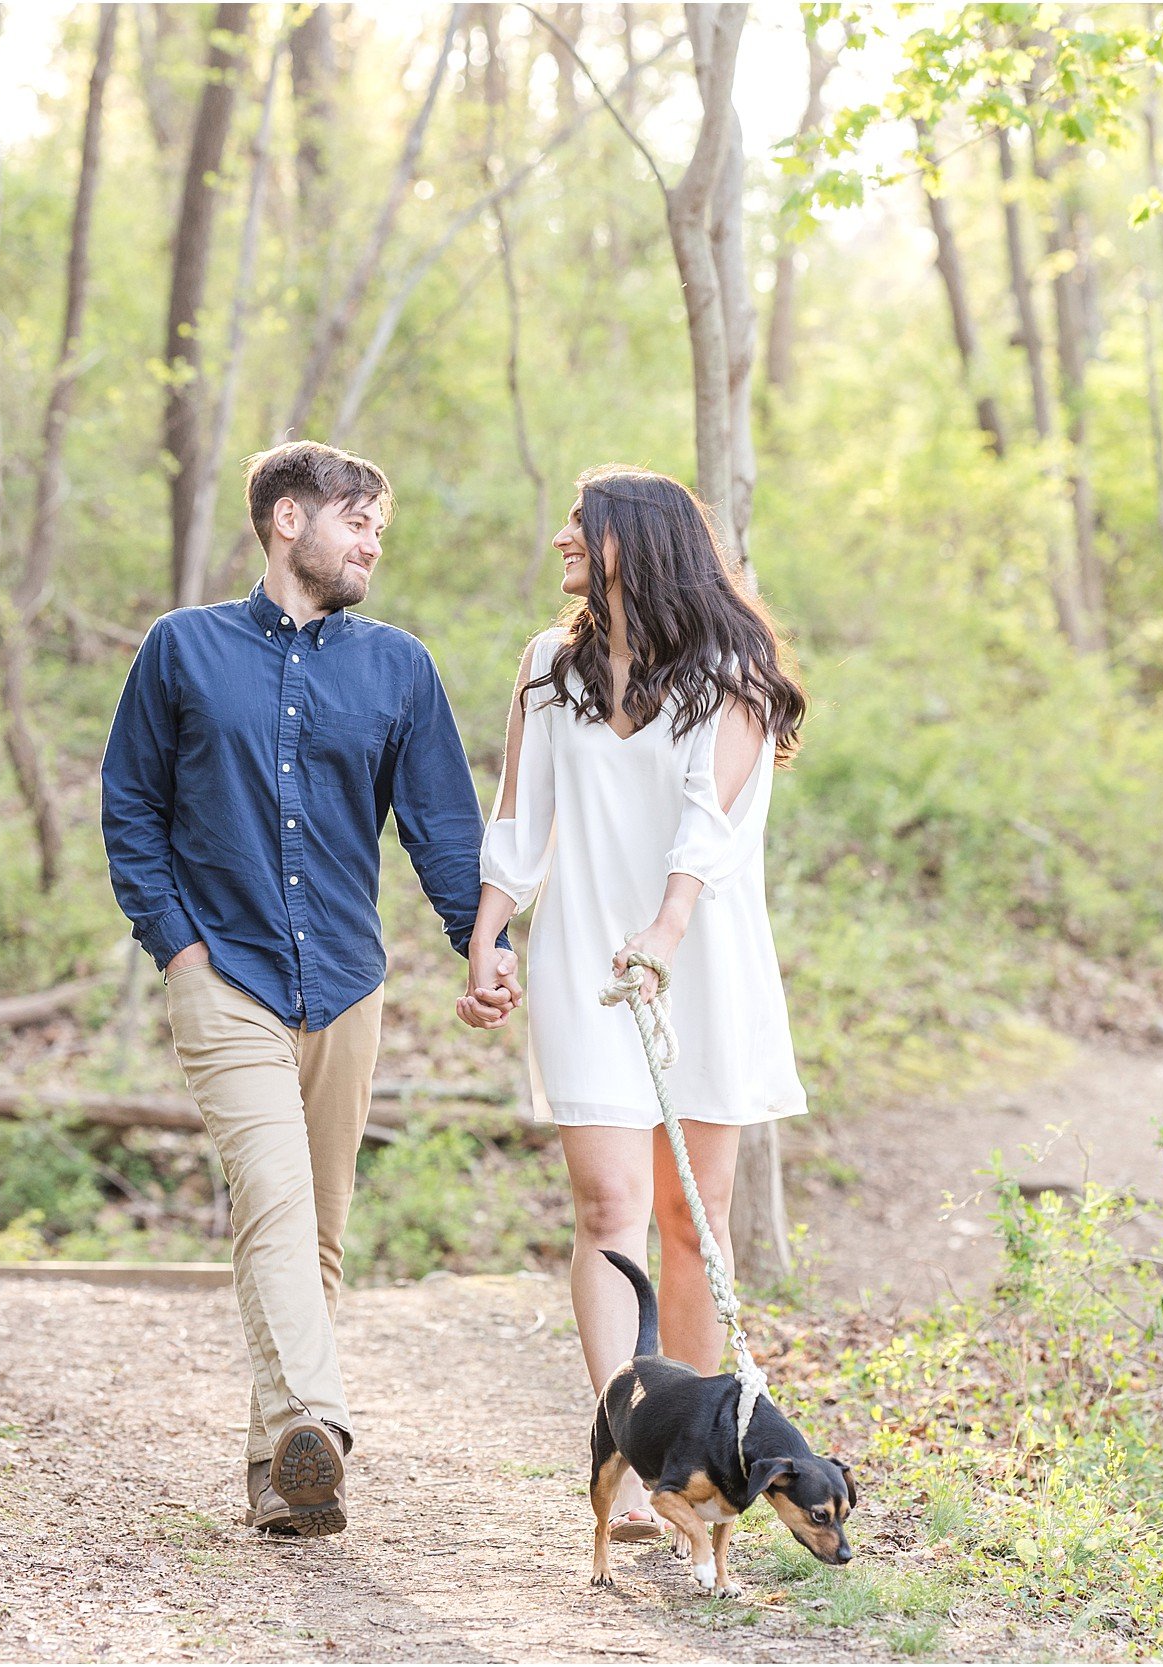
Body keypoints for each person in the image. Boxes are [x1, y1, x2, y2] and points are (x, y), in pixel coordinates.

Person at [102, 440, 509, 1538]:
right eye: (357, 519)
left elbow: (442, 826)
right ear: (288, 519)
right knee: (274, 1205)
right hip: (222, 972)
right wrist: (177, 948)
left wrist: (485, 946)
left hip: (342, 979)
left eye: (379, 523)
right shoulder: (181, 650)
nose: (373, 540)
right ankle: (320, 1424)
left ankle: (279, 1475)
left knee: (318, 1232)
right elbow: (131, 811)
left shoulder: (398, 668)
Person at [457, 464, 809, 1544]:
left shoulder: (733, 666)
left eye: (583, 521)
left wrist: (663, 933)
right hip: (584, 966)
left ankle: (691, 1462)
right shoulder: (546, 667)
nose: (562, 534)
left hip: (700, 961)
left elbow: (711, 825)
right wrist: (488, 929)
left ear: (637, 544)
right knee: (608, 1208)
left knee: (691, 1226)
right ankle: (624, 1447)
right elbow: (521, 822)